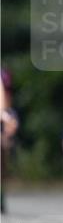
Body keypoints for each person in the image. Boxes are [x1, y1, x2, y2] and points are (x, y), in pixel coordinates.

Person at [1, 66, 17, 214]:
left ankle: (1, 192)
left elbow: (7, 101)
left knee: (3, 149)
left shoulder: (3, 75)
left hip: (3, 116)